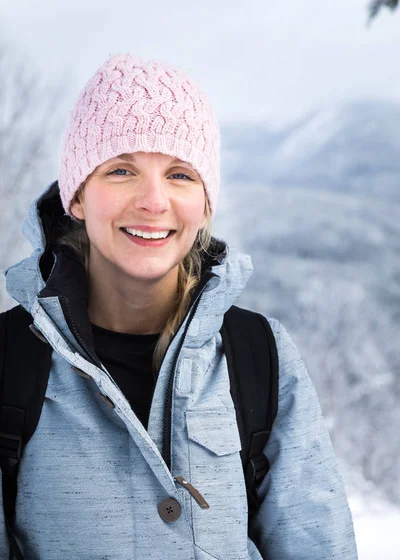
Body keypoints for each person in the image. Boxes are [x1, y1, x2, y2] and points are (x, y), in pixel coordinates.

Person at [1, 53, 358, 559]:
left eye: (180, 175)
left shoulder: (260, 356)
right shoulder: (12, 361)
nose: (153, 201)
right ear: (75, 198)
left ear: (207, 203)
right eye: (122, 169)